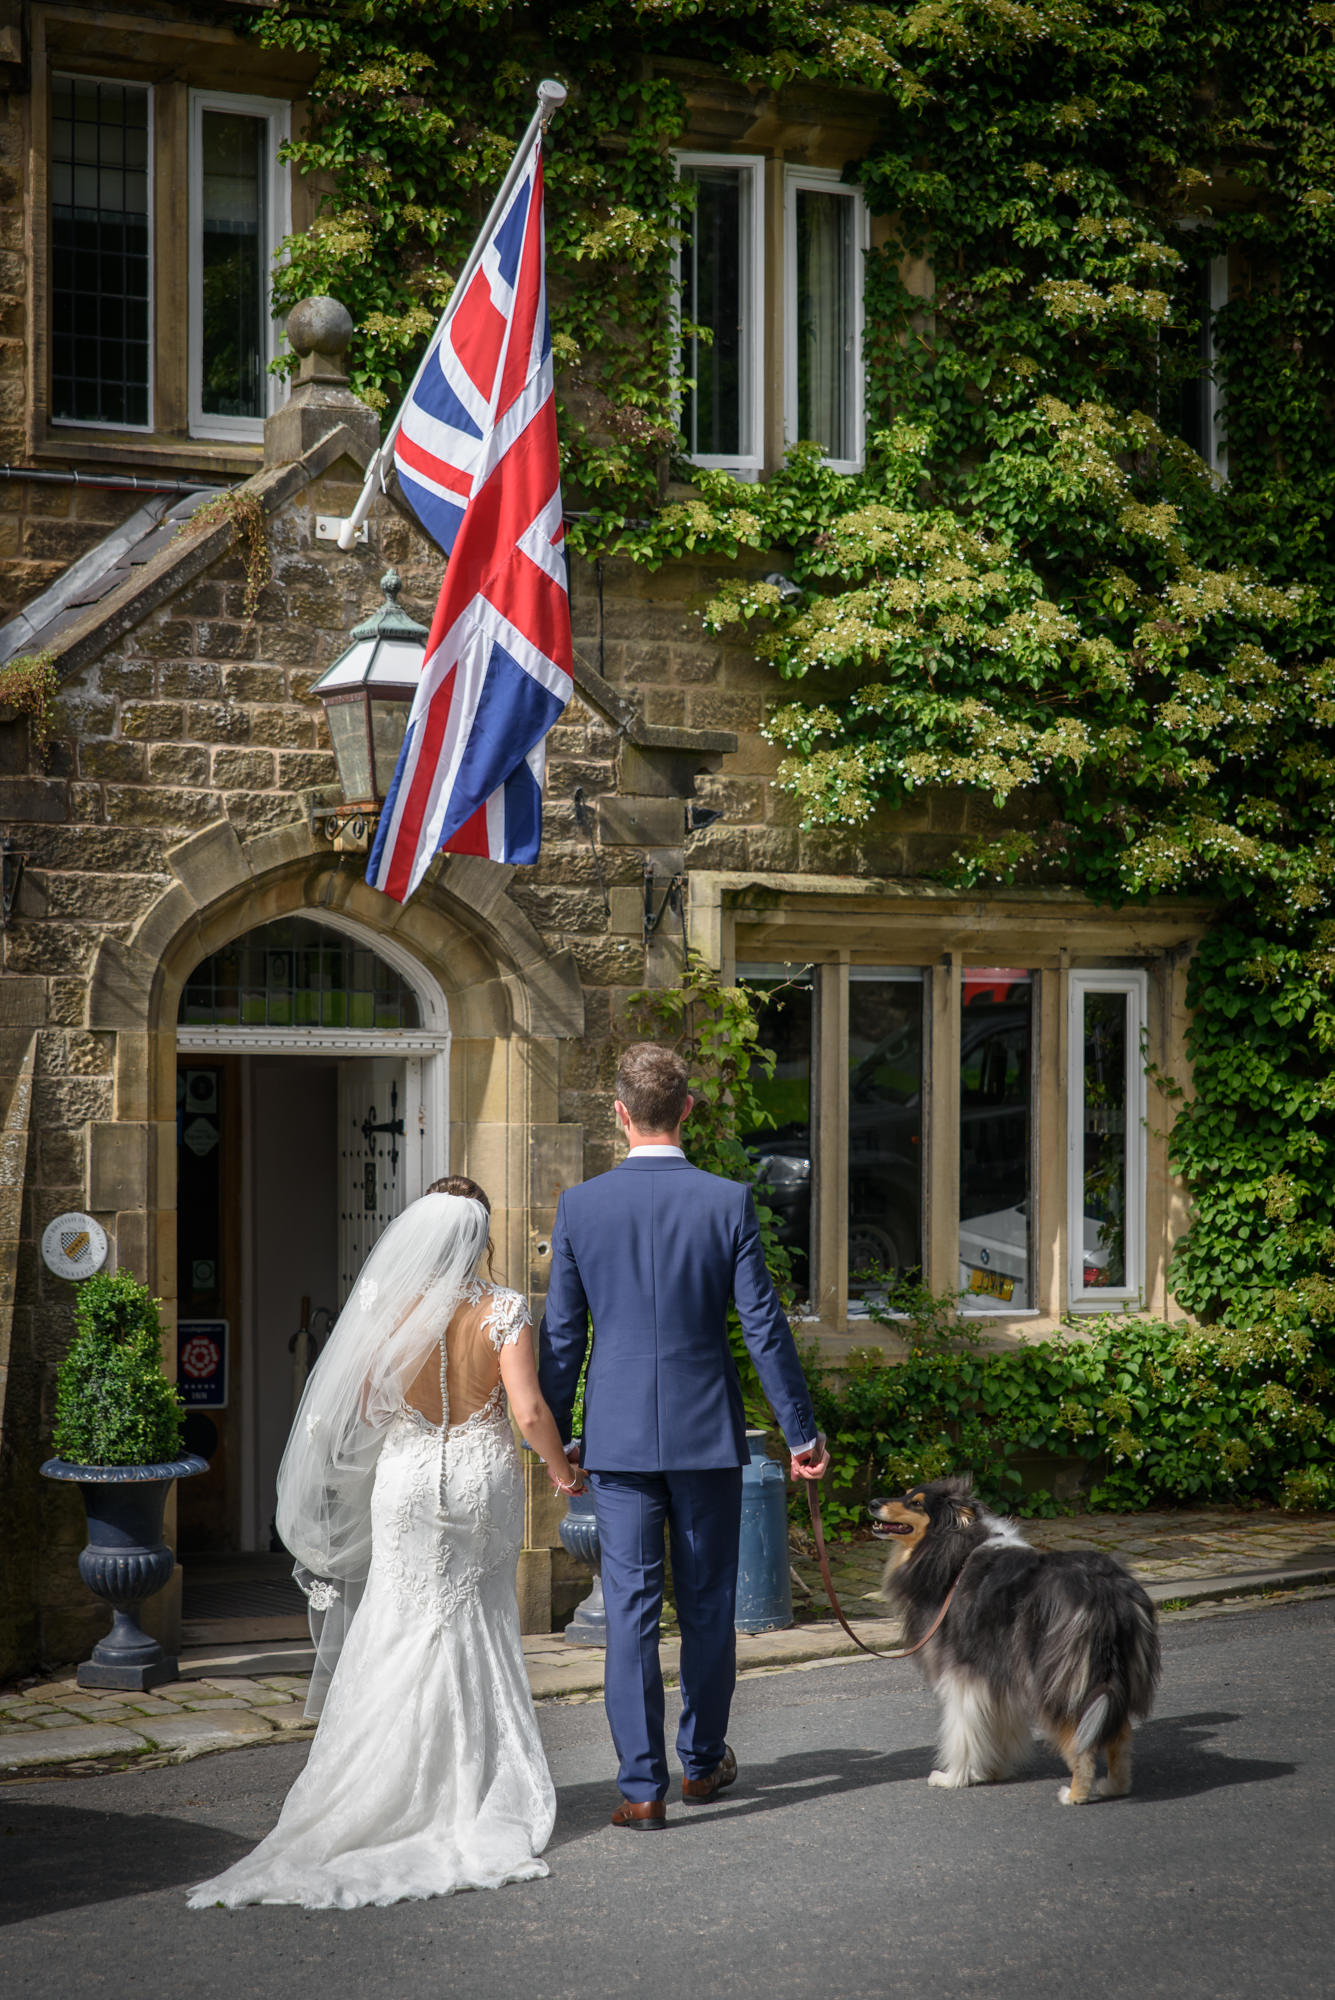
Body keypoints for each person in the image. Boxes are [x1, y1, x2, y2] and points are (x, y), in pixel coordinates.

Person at [188, 1175, 582, 1910]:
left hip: (402, 1481)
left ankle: (375, 1783)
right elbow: (527, 1411)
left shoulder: (386, 1311)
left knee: (399, 1621)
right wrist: (561, 1471)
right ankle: (464, 1786)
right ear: (481, 1235)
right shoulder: (501, 1311)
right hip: (476, 1479)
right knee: (471, 1620)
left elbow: (363, 1402)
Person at [538, 1043, 829, 1830]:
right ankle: (701, 1766)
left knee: (630, 1611)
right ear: (688, 1111)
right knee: (706, 1607)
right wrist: (800, 1433)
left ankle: (641, 1787)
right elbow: (764, 1330)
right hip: (708, 1435)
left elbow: (561, 1339)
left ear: (620, 1114)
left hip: (620, 1441)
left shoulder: (581, 1206)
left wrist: (557, 1438)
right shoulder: (727, 1201)